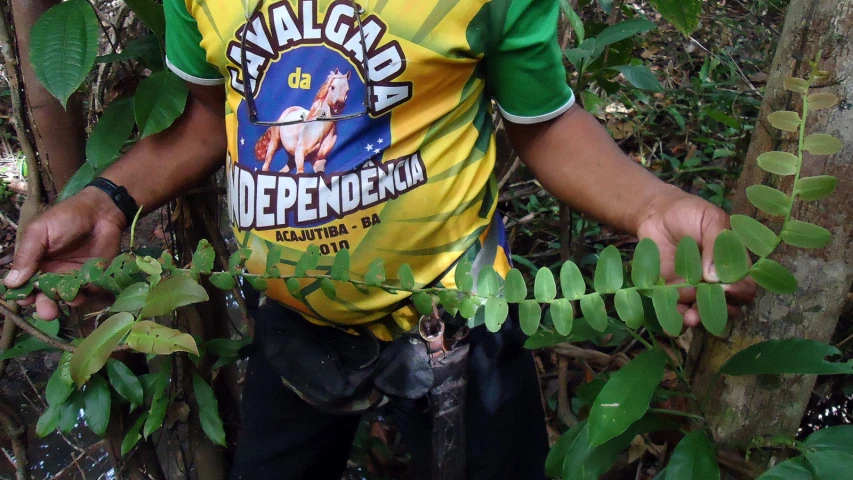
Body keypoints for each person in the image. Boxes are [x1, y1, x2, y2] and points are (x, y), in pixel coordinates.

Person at [4, 0, 755, 478]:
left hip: (458, 329)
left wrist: (651, 203)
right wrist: (108, 198)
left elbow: (544, 122)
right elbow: (209, 120)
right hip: (293, 326)